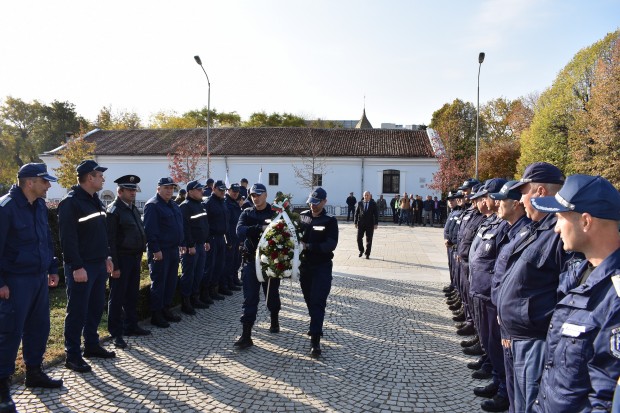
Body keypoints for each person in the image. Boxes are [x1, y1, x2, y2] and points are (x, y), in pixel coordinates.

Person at [530, 175, 620, 412]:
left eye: (560, 218)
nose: (556, 228)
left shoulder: (615, 298)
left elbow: (607, 397)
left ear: (586, 221)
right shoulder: (580, 272)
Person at [496, 162, 575, 412]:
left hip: (535, 342)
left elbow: (567, 297)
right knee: (518, 403)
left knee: (530, 404)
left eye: (524, 192)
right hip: (518, 337)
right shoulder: (537, 229)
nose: (520, 199)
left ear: (540, 192)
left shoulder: (559, 233)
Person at [0, 164, 62, 412]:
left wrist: (52, 267)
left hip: (37, 278)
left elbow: (46, 239)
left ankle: (34, 373)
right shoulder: (6, 208)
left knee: (39, 328)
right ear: (29, 182)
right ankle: (2, 387)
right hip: (15, 281)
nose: (48, 185)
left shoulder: (38, 206)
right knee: (9, 333)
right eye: (44, 181)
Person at [58, 159, 116, 373]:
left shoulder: (95, 201)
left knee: (94, 308)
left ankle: (91, 345)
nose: (103, 179)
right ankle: (72, 355)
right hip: (82, 267)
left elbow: (101, 235)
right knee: (77, 311)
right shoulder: (71, 202)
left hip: (99, 264)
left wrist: (107, 256)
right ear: (89, 177)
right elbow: (68, 239)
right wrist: (76, 267)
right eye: (100, 175)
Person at [234, 183, 280, 349]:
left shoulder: (275, 212)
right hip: (250, 261)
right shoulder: (246, 212)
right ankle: (246, 335)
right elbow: (239, 231)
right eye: (253, 195)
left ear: (266, 195)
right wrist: (259, 228)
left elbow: (282, 232)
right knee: (250, 298)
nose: (256, 198)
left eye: (259, 194)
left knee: (271, 295)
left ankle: (274, 317)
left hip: (270, 262)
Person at [106, 175, 149, 350]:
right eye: (129, 190)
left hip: (134, 257)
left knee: (132, 294)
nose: (133, 193)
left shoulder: (131, 209)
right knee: (117, 297)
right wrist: (114, 266)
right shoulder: (114, 210)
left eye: (134, 190)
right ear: (120, 191)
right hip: (121, 259)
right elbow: (110, 241)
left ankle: (131, 325)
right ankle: (116, 333)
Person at [299, 187, 339, 357]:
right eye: (311, 203)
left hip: (321, 266)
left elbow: (330, 245)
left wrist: (309, 246)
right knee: (309, 300)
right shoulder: (303, 217)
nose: (313, 206)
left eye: (317, 203)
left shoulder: (329, 221)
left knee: (318, 301)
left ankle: (315, 339)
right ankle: (314, 323)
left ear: (324, 202)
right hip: (305, 266)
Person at [144, 177, 185, 328]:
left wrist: (181, 243)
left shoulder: (173, 205)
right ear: (158, 188)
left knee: (171, 281)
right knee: (159, 282)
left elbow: (179, 226)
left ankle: (166, 309)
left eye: (171, 188)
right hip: (161, 251)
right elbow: (150, 230)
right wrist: (155, 250)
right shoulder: (153, 205)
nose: (169, 190)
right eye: (166, 188)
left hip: (173, 249)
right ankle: (156, 314)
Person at [179, 180, 210, 316]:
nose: (201, 191)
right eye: (198, 190)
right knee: (189, 275)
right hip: (192, 247)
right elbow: (185, 228)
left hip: (201, 244)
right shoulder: (185, 206)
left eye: (201, 189)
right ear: (190, 191)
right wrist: (190, 245)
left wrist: (207, 240)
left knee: (198, 273)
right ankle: (186, 302)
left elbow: (205, 225)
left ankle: (195, 298)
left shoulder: (201, 205)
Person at [203, 180, 231, 299]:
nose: (223, 192)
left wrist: (228, 238)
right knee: (210, 266)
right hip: (212, 238)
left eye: (224, 190)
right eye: (220, 190)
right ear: (213, 189)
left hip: (221, 238)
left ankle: (214, 290)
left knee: (219, 265)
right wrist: (207, 240)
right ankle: (205, 292)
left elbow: (226, 222)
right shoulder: (208, 203)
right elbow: (205, 223)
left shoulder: (223, 202)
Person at [224, 183, 243, 291]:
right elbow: (227, 223)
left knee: (236, 260)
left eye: (237, 191)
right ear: (229, 190)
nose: (236, 193)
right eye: (233, 191)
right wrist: (228, 240)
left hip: (236, 237)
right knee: (229, 262)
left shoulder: (234, 203)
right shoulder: (227, 203)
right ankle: (228, 283)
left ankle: (234, 279)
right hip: (230, 237)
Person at [354, 191, 378, 259]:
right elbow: (356, 213)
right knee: (358, 238)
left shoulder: (373, 203)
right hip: (361, 224)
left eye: (367, 195)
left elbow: (376, 214)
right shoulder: (359, 203)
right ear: (363, 196)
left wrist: (376, 224)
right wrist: (355, 222)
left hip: (370, 224)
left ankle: (367, 253)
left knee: (369, 240)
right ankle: (361, 250)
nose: (366, 196)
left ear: (370, 196)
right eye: (365, 195)